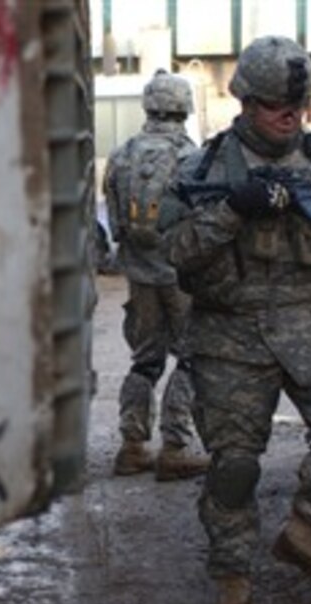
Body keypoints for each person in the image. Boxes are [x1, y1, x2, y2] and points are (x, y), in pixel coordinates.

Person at [159, 36, 311, 604]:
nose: (288, 116)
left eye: (297, 105)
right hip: (230, 334)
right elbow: (175, 255)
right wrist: (232, 210)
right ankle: (233, 577)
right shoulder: (203, 170)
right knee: (235, 467)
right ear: (243, 101)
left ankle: (303, 528)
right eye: (273, 105)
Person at [103, 70, 211, 481]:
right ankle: (175, 447)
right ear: (184, 107)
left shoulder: (122, 154)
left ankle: (132, 446)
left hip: (139, 275)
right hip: (180, 276)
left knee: (144, 360)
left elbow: (113, 222)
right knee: (191, 355)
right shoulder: (192, 157)